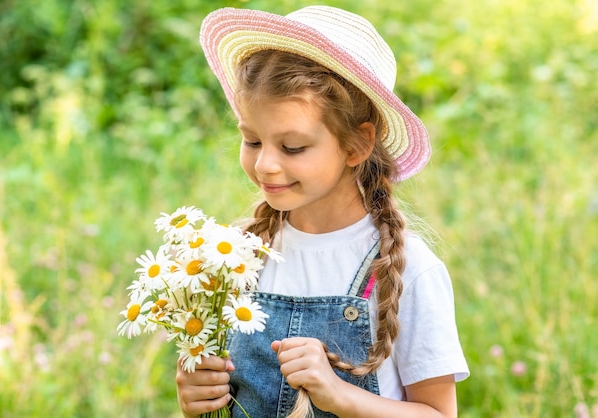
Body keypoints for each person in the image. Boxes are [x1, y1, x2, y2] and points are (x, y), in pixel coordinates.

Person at [176, 5, 469, 418]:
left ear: (356, 145)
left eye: (292, 147)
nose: (265, 165)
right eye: (253, 140)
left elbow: (439, 414)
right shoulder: (236, 257)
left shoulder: (408, 271)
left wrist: (339, 395)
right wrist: (197, 394)